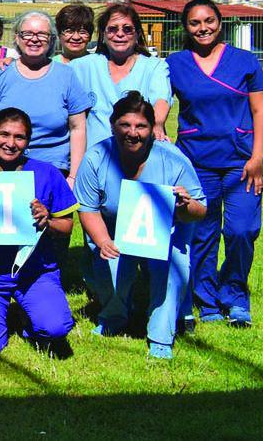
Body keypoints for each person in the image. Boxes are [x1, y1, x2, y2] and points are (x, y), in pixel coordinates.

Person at [76, 93, 207, 358]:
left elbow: (201, 209)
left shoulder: (172, 159)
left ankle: (161, 335)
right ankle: (114, 316)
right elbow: (88, 208)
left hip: (168, 228)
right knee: (110, 266)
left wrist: (184, 206)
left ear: (152, 128)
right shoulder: (96, 158)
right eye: (125, 125)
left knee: (172, 270)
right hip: (113, 228)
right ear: (113, 125)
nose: (132, 133)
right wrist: (103, 241)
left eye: (141, 126)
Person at [165, 0, 263, 327]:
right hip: (197, 161)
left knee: (242, 230)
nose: (202, 28)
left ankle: (235, 293)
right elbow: (161, 102)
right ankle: (206, 299)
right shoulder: (176, 63)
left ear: (220, 23)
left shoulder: (245, 61)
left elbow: (260, 110)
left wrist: (257, 156)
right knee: (202, 233)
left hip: (241, 161)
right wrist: (156, 127)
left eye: (208, 20)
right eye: (194, 23)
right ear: (186, 28)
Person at [0, 108, 77, 354]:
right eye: (4, 135)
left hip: (34, 271)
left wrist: (47, 220)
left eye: (19, 137)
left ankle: (27, 315)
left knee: (55, 329)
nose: (10, 143)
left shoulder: (47, 173)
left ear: (28, 140)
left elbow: (67, 226)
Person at [0, 10, 92, 183]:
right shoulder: (0, 74)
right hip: (2, 172)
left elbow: (78, 128)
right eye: (27, 33)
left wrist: (74, 176)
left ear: (51, 39)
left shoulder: (66, 76)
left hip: (53, 173)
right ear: (17, 38)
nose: (34, 39)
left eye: (42, 34)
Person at [73, 4, 171, 152]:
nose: (120, 34)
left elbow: (161, 99)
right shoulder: (84, 66)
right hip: (95, 155)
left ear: (137, 34)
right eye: (112, 29)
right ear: (103, 34)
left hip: (138, 152)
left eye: (127, 29)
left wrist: (157, 125)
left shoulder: (154, 67)